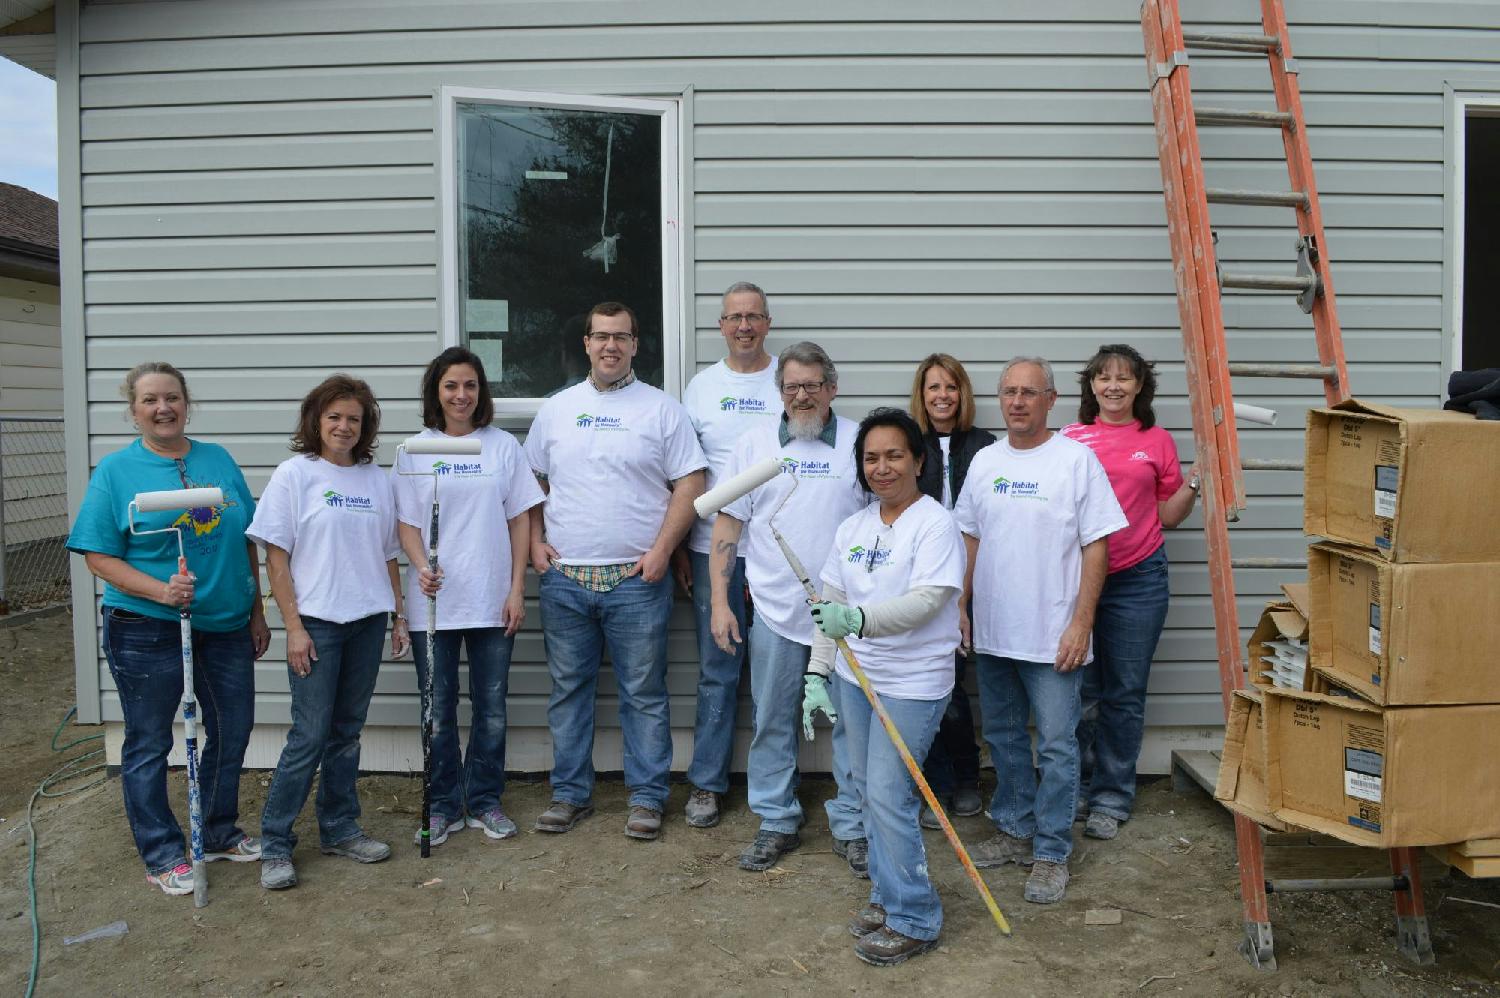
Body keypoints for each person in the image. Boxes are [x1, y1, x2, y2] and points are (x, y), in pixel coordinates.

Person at [67, 362, 270, 896]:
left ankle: (219, 830)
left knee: (232, 729)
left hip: (225, 623)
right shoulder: (116, 472)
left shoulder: (216, 459)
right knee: (151, 740)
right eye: (151, 400)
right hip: (148, 625)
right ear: (133, 409)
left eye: (173, 398)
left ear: (187, 403)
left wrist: (255, 610)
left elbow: (245, 538)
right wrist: (160, 590)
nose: (163, 408)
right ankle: (162, 852)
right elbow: (96, 555)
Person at [525, 301, 707, 841]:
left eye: (621, 337)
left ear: (635, 344)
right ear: (586, 343)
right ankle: (569, 795)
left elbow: (691, 484)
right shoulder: (557, 409)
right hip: (564, 580)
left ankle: (648, 798)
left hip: (636, 579)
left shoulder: (660, 410)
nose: (611, 346)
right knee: (568, 691)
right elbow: (528, 480)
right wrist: (535, 541)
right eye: (601, 336)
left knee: (643, 693)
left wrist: (661, 551)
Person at [954, 357, 1126, 905]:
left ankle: (1052, 850)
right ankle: (1014, 828)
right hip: (996, 631)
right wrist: (962, 607)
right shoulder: (984, 461)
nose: (1017, 402)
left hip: (1055, 633)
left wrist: (1082, 621)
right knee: (1003, 738)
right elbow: (970, 538)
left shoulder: (1075, 461)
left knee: (1055, 745)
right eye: (1008, 392)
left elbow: (1096, 544)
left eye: (1029, 392)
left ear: (1051, 400)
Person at [810, 407, 967, 966]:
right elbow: (827, 605)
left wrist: (860, 621)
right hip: (856, 678)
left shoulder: (935, 523)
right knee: (861, 786)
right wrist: (816, 673)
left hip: (913, 682)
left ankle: (915, 917)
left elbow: (928, 601)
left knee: (888, 793)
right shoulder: (853, 527)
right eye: (871, 457)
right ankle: (886, 893)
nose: (882, 467)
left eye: (894, 455)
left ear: (918, 461)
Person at [709, 342, 868, 875]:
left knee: (851, 723)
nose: (801, 395)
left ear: (832, 388)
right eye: (790, 386)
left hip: (845, 615)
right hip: (776, 610)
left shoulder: (858, 443)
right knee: (773, 719)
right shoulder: (755, 444)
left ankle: (853, 825)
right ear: (779, 391)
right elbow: (727, 525)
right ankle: (776, 819)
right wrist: (719, 602)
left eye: (812, 385)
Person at [250, 374, 410, 890]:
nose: (344, 426)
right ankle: (275, 843)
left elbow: (388, 553)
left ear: (366, 428)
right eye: (334, 417)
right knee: (309, 735)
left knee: (346, 733)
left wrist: (398, 614)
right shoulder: (295, 475)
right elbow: (276, 557)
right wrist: (293, 627)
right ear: (316, 421)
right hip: (316, 623)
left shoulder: (375, 479)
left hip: (365, 620)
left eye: (354, 419)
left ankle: (340, 827)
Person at [393, 347, 545, 846]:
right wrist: (421, 566)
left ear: (481, 392)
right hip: (432, 604)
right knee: (437, 710)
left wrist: (517, 589)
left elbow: (519, 517)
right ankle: (441, 806)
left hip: (490, 597)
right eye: (451, 386)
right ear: (436, 392)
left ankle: (484, 801)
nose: (462, 395)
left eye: (471, 386)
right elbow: (407, 524)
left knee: (492, 706)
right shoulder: (414, 450)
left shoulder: (502, 447)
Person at [1062, 344, 1196, 840]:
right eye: (1103, 378)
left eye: (1124, 378)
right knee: (1079, 689)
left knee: (1124, 693)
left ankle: (1112, 795)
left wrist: (1197, 482)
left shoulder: (1157, 440)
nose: (1113, 386)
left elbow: (1167, 516)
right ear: (1091, 386)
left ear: (1140, 386)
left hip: (1139, 579)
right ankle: (1073, 786)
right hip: (1078, 580)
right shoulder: (1070, 439)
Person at [673, 281, 781, 828]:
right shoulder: (701, 388)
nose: (744, 326)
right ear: (721, 325)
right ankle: (707, 785)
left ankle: (772, 788)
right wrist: (678, 549)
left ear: (767, 323)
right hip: (712, 547)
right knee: (718, 669)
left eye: (754, 317)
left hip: (778, 552)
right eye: (734, 317)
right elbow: (686, 472)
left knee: (772, 670)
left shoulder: (788, 380)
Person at [909, 353, 994, 827]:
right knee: (927, 683)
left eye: (951, 387)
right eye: (933, 388)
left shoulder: (983, 446)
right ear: (921, 396)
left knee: (956, 687)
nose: (942, 396)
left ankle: (965, 777)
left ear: (963, 394)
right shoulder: (910, 442)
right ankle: (934, 780)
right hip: (921, 580)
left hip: (974, 580)